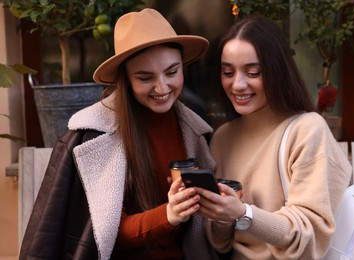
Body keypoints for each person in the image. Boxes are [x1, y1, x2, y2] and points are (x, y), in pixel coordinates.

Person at [19, 8, 218, 260]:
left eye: (172, 72)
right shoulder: (93, 136)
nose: (162, 87)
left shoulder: (195, 130)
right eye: (145, 77)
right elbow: (104, 234)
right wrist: (169, 214)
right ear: (124, 79)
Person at [194, 16, 352, 259]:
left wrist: (244, 213)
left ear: (277, 71)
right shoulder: (222, 138)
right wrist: (221, 215)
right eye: (228, 72)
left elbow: (310, 235)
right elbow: (221, 243)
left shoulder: (308, 129)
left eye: (253, 72)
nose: (237, 84)